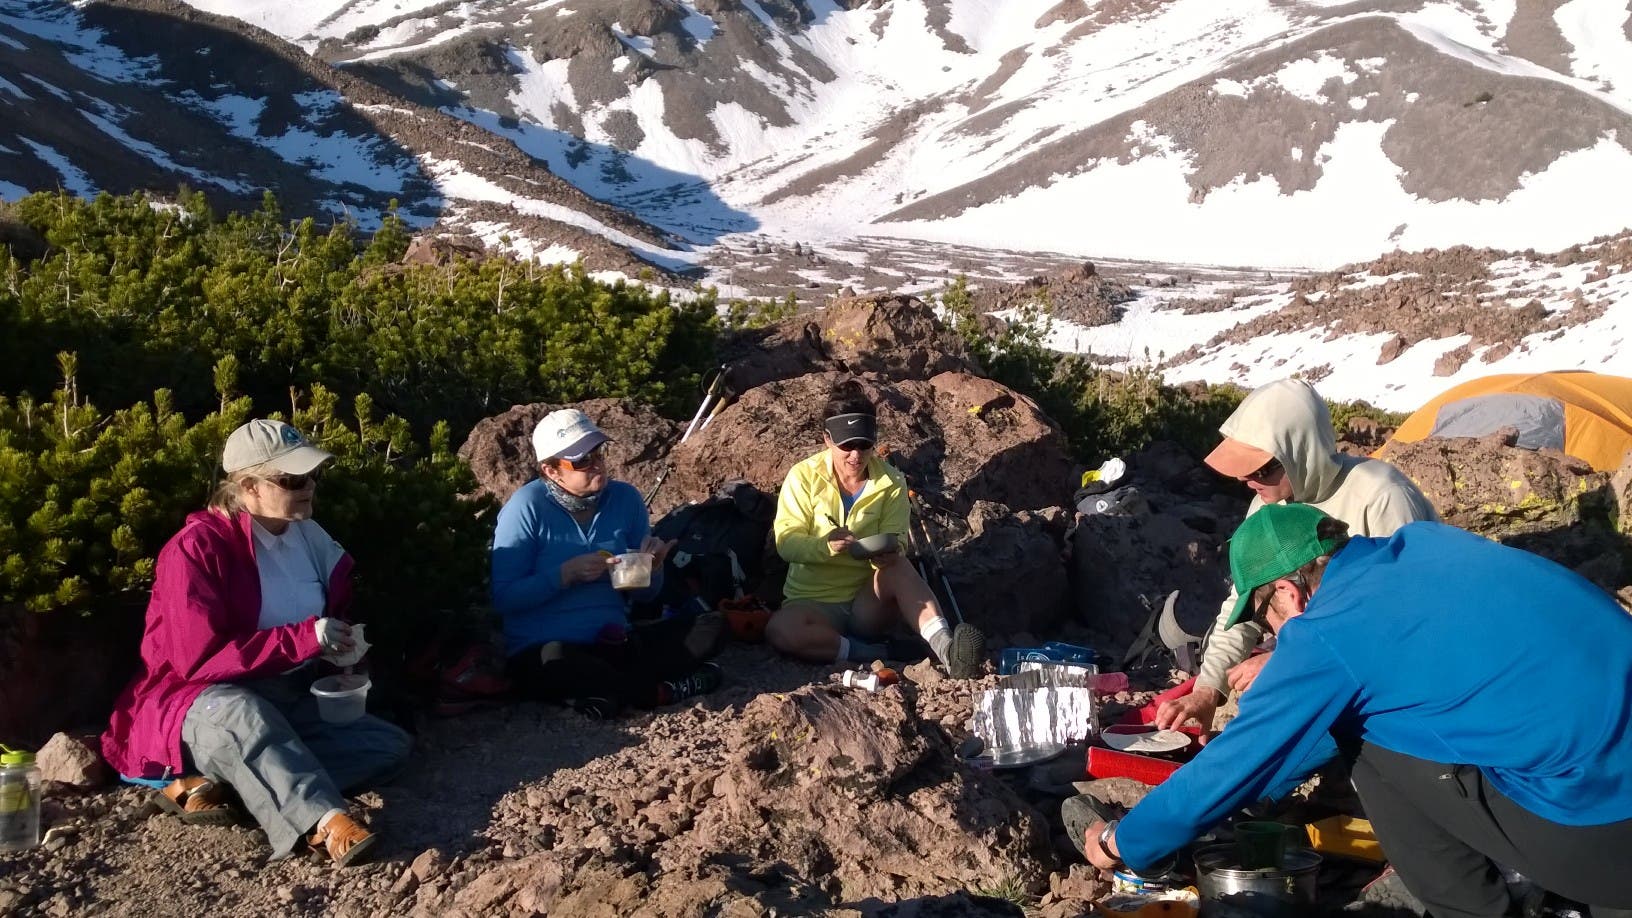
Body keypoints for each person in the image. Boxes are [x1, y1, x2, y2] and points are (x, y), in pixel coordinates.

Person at [1079, 504, 1632, 918]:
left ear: (1287, 594)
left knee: (1364, 746)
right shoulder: (1425, 543)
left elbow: (1237, 765)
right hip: (1608, 773)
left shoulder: (1328, 635)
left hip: (1607, 841)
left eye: (1264, 617)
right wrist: (1266, 784)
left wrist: (1123, 843)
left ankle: (1474, 910)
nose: (1271, 636)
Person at [101, 420, 410, 868]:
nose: (307, 487)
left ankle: (227, 785)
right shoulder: (195, 549)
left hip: (286, 692)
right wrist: (305, 638)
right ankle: (324, 822)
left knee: (387, 747)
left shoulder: (307, 536)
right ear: (248, 486)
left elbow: (320, 623)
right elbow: (197, 659)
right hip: (195, 702)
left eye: (312, 476)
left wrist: (335, 650)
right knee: (245, 716)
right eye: (292, 479)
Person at [1155, 377, 1438, 732]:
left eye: (1261, 469)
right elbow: (1245, 601)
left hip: (1398, 679)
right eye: (1242, 473)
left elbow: (1403, 612)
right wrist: (1208, 690)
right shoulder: (1266, 507)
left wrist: (1289, 660)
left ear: (1300, 452)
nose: (1248, 481)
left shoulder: (1381, 496)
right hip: (1326, 665)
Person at [490, 408, 724, 718]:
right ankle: (657, 691)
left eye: (598, 452)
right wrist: (564, 575)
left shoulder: (625, 499)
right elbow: (504, 598)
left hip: (614, 642)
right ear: (551, 471)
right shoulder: (526, 507)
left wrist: (650, 569)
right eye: (581, 460)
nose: (596, 463)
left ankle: (603, 695)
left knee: (713, 626)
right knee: (555, 660)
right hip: (547, 645)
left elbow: (646, 597)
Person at [765, 380, 985, 678]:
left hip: (867, 603)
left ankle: (948, 651)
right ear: (827, 440)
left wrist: (887, 551)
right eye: (846, 446)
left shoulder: (892, 481)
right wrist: (825, 546)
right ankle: (874, 653)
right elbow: (787, 543)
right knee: (781, 631)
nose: (856, 455)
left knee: (900, 565)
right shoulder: (802, 477)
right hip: (812, 603)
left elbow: (898, 542)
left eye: (864, 444)